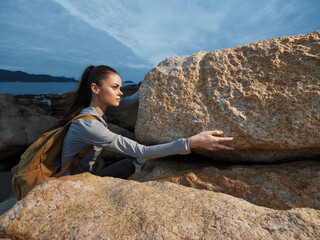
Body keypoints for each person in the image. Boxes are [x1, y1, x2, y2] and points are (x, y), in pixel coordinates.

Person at [53, 65, 234, 179]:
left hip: (87, 176)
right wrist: (192, 142)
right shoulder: (89, 125)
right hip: (71, 184)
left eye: (121, 87)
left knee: (128, 164)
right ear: (96, 89)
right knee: (132, 162)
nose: (120, 92)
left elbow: (132, 99)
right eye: (115, 87)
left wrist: (153, 81)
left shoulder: (98, 110)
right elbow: (143, 151)